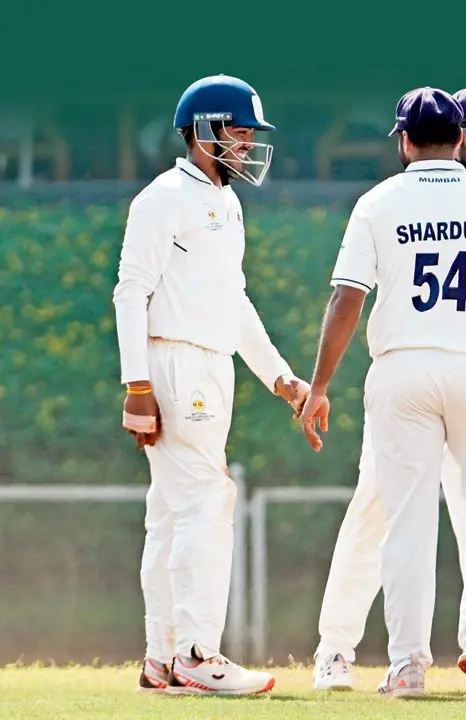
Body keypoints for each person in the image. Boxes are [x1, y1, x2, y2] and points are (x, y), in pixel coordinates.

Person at [297, 87, 466, 699]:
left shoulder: (377, 202)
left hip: (400, 372)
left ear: (406, 141)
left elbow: (346, 300)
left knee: (406, 522)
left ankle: (408, 665)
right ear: (457, 137)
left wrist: (320, 385)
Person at [113, 74, 308, 695]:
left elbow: (235, 300)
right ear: (202, 131)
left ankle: (162, 657)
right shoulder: (163, 197)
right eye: (238, 132)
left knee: (173, 512)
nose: (247, 145)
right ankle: (197, 653)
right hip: (174, 363)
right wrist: (136, 384)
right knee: (207, 499)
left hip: (212, 363)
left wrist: (277, 375)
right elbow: (130, 291)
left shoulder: (228, 203)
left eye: (251, 134)